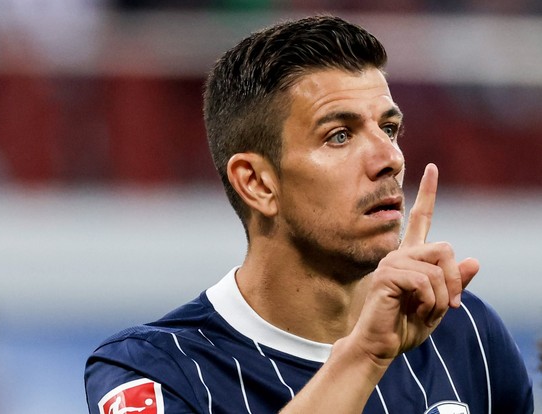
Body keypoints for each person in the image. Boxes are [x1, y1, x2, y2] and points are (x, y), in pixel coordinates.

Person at [85, 15, 533, 413]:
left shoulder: (465, 332)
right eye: (339, 136)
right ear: (257, 183)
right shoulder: (152, 371)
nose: (390, 158)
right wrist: (364, 356)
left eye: (389, 128)